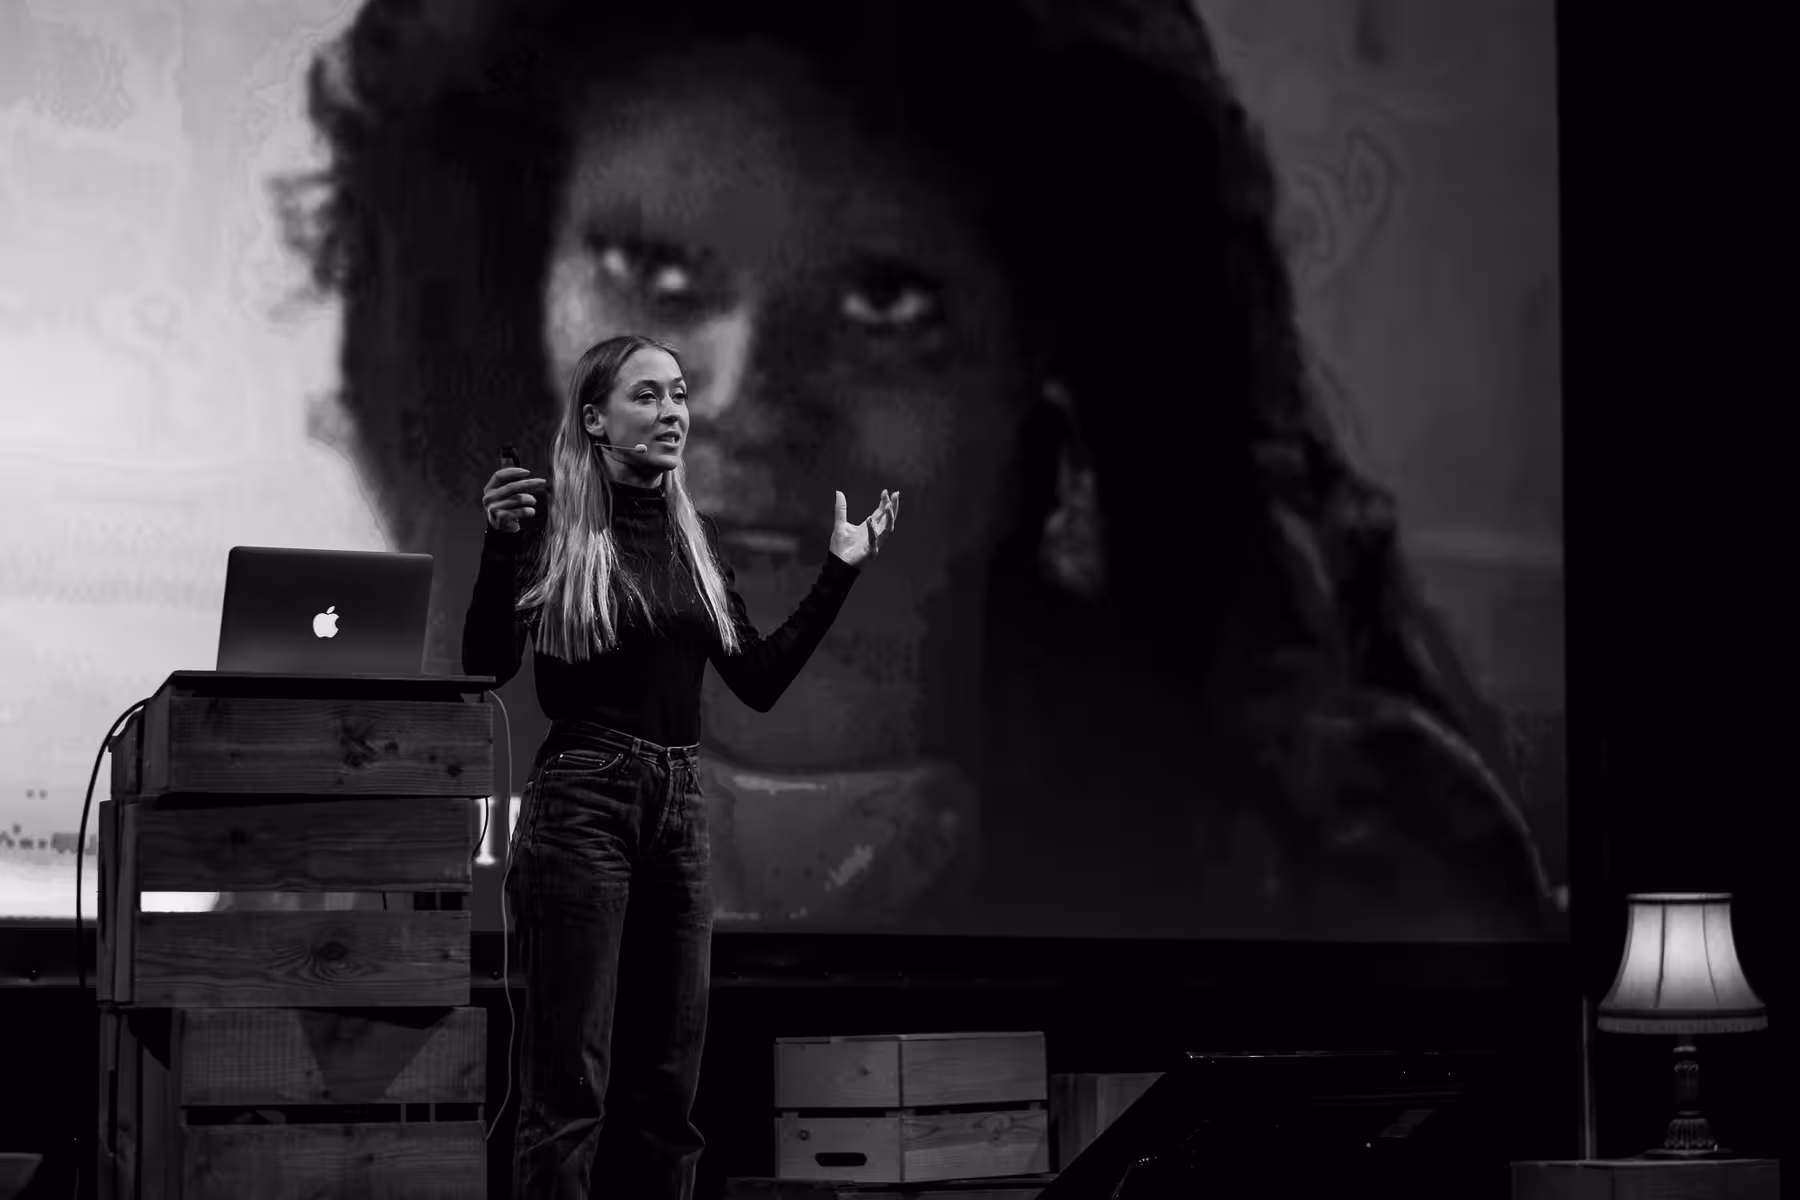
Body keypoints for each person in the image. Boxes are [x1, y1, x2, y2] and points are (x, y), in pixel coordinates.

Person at [282, 0, 1554, 943]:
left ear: (1049, 356)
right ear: (513, 299)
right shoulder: (357, 822)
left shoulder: (1355, 859)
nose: (743, 405)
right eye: (652, 275)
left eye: (885, 306)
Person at [466, 332, 898, 1196]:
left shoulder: (693, 541)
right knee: (569, 1087)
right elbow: (485, 664)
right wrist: (500, 545)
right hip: (582, 802)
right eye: (648, 395)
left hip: (681, 804)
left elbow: (759, 680)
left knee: (666, 1090)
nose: (673, 413)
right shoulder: (552, 526)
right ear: (595, 419)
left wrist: (839, 571)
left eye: (680, 395)